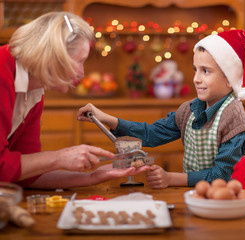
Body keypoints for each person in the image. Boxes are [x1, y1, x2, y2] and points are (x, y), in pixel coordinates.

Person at [77, 30, 245, 189]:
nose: (196, 79)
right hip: (198, 194)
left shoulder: (234, 120)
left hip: (231, 198)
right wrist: (107, 119)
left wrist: (171, 178)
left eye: (205, 71)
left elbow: (221, 175)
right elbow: (150, 134)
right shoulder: (189, 111)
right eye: (195, 69)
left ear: (230, 78)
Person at [0, 12, 149, 189]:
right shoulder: (3, 73)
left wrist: (92, 177)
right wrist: (59, 158)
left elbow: (26, 174)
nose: (82, 73)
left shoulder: (33, 92)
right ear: (54, 56)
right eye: (80, 61)